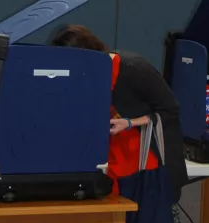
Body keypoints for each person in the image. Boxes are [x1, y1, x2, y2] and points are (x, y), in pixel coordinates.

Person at [50, 24, 188, 202]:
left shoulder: (134, 68)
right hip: (116, 164)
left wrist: (130, 123)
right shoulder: (84, 79)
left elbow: (171, 110)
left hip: (149, 167)